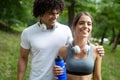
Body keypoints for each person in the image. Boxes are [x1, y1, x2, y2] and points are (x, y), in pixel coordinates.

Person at [17, 0, 104, 80]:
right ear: (41, 12)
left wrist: (94, 47)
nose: (55, 17)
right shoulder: (28, 33)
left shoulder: (65, 30)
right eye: (51, 13)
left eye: (57, 13)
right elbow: (23, 58)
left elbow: (75, 47)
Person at [53, 12, 103, 80]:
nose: (86, 26)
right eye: (81, 23)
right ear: (74, 26)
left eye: (89, 24)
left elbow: (97, 77)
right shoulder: (63, 50)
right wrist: (56, 72)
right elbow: (58, 76)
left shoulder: (96, 51)